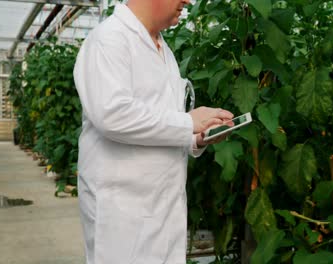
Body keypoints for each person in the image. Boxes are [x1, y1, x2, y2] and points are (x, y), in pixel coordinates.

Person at [73, 0, 233, 263]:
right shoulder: (109, 39)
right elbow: (112, 114)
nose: (188, 2)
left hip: (164, 208)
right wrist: (188, 123)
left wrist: (197, 137)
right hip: (124, 212)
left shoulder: (163, 49)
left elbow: (162, 121)